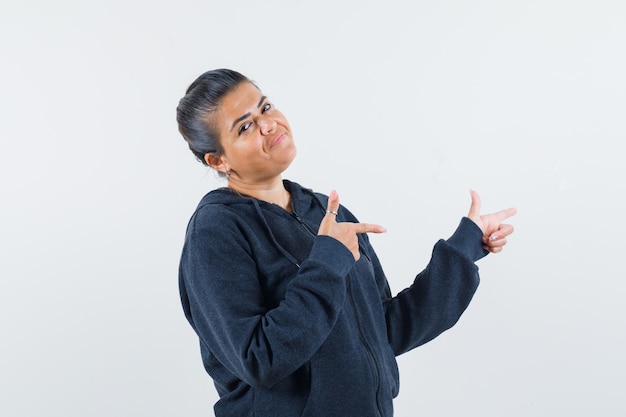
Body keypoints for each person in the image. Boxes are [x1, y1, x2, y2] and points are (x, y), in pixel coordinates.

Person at [175, 68, 516, 417]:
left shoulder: (324, 211)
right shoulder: (215, 232)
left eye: (266, 107)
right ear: (218, 160)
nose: (268, 124)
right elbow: (259, 360)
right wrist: (327, 262)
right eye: (244, 127)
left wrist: (464, 247)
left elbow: (383, 331)